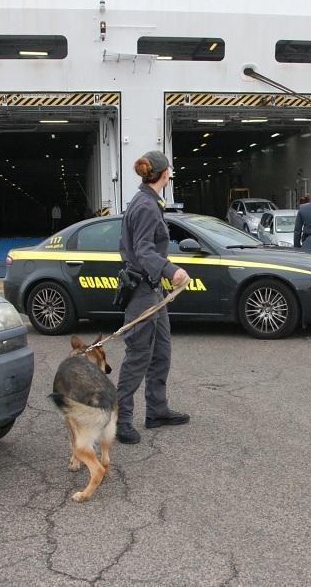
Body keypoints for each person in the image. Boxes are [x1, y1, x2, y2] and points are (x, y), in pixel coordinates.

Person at [114, 151, 191, 444]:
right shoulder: (145, 206)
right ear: (163, 174)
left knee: (161, 352)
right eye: (169, 170)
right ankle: (121, 420)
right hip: (143, 291)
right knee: (138, 355)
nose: (170, 173)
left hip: (152, 288)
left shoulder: (149, 201)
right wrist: (171, 271)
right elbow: (144, 249)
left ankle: (157, 410)